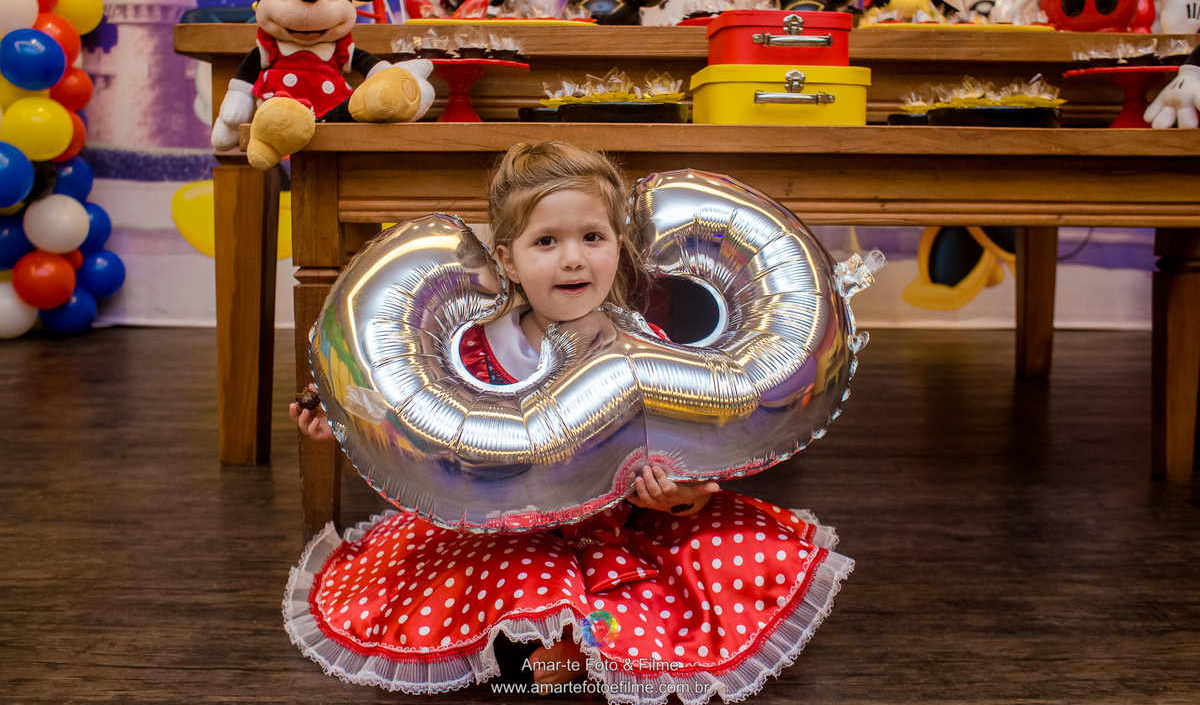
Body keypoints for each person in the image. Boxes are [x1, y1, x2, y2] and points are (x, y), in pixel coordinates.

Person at [286, 141, 853, 700]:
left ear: (620, 245)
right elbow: (418, 434)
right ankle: (543, 639)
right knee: (519, 578)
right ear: (507, 259)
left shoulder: (645, 350)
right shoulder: (477, 353)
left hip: (622, 528)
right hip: (506, 531)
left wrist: (677, 497)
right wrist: (343, 421)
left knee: (725, 556)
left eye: (592, 237)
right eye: (546, 242)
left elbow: (694, 471)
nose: (574, 258)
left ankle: (581, 645)